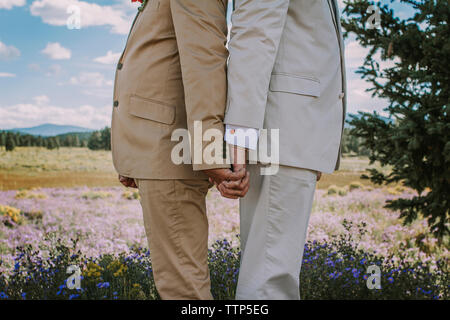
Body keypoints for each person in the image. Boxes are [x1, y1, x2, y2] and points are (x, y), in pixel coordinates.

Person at [111, 0, 248, 300]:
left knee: (184, 290)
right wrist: (133, 153)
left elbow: (205, 61)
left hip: (169, 150)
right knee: (177, 283)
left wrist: (210, 152)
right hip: (154, 150)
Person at [218, 0, 347, 299]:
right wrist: (238, 137)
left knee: (274, 274)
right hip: (282, 134)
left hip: (295, 136)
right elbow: (253, 35)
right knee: (270, 281)